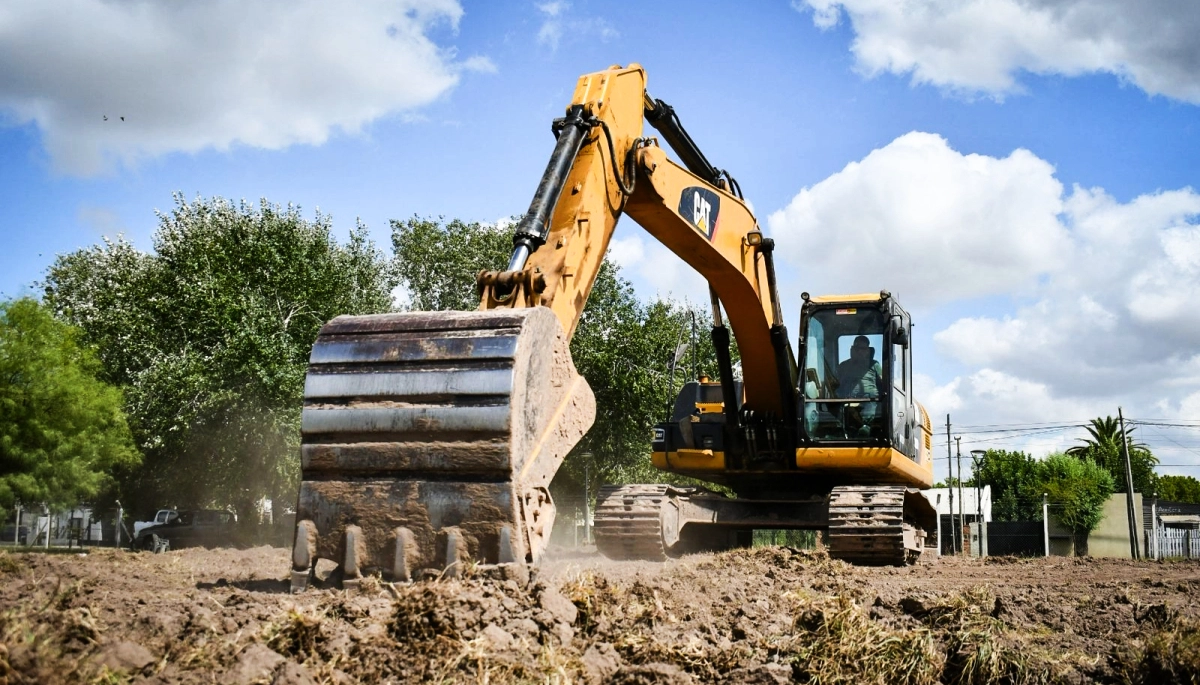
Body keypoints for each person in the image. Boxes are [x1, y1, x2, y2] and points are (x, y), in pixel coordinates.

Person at [836, 335, 882, 434]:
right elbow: (835, 384)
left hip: (869, 401)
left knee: (867, 421)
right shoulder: (843, 366)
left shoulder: (874, 365)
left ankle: (866, 428)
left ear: (868, 350)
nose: (859, 351)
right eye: (856, 348)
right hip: (847, 402)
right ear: (852, 349)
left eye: (863, 348)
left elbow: (884, 383)